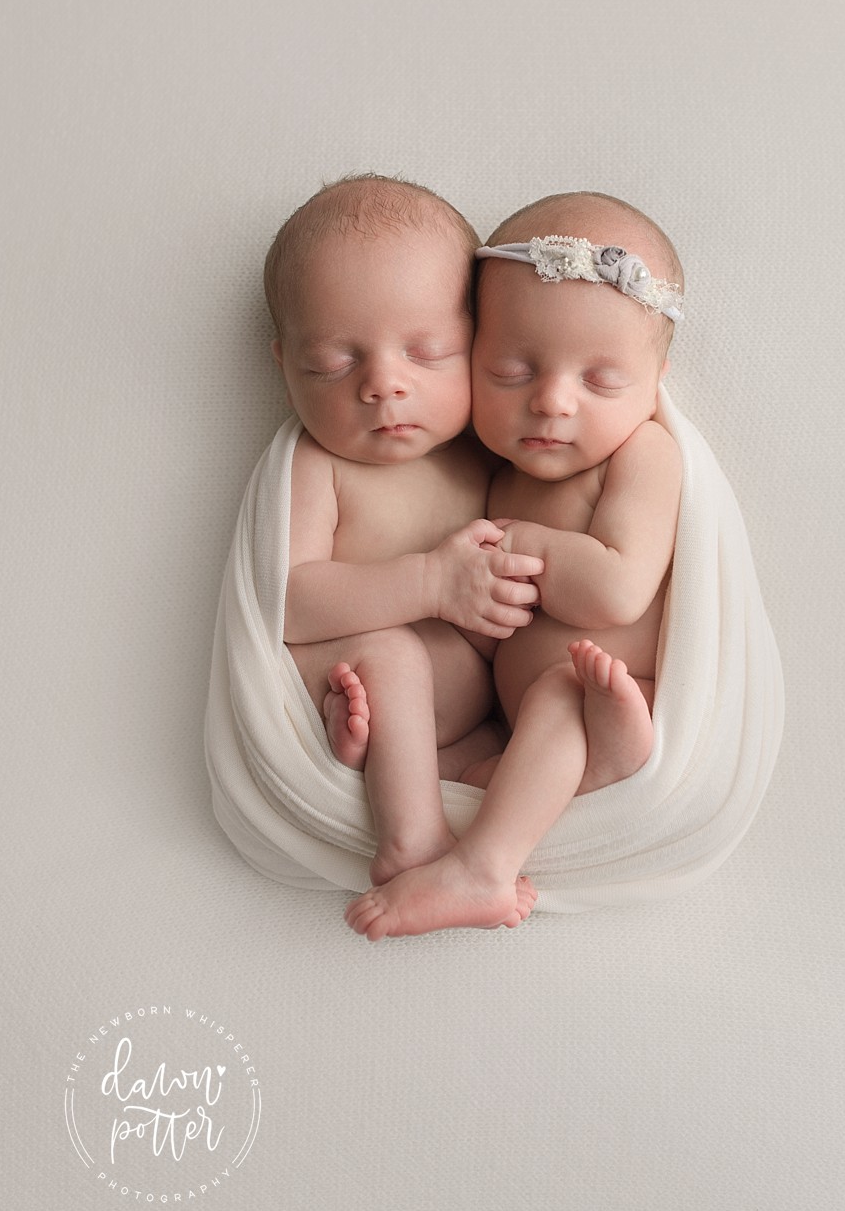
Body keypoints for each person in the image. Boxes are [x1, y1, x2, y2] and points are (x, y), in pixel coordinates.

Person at [345, 191, 684, 939]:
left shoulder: (641, 453)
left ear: (655, 382)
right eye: (509, 371)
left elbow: (620, 587)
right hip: (514, 720)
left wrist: (522, 543)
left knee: (568, 685)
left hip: (604, 697)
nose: (552, 402)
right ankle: (397, 766)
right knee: (445, 729)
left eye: (600, 381)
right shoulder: (496, 468)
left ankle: (485, 869)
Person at [267, 174, 541, 912]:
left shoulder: (487, 453)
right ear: (285, 365)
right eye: (333, 363)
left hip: (461, 726)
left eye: (425, 352)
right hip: (344, 658)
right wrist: (428, 581)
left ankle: (392, 768)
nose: (384, 385)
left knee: (531, 735)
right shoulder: (319, 464)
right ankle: (410, 841)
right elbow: (287, 601)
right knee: (391, 655)